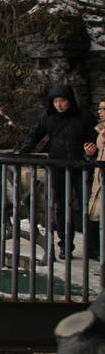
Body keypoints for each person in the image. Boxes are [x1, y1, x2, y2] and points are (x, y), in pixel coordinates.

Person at [18, 84, 97, 259]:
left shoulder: (84, 116)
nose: (59, 105)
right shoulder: (48, 116)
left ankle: (92, 246)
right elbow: (34, 135)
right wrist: (21, 153)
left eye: (62, 101)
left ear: (70, 101)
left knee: (89, 207)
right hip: (58, 167)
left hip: (81, 167)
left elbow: (95, 138)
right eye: (55, 101)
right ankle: (65, 244)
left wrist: (92, 150)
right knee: (60, 207)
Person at [82, 100, 105, 260]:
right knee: (94, 214)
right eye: (100, 109)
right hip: (99, 177)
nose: (100, 112)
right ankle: (94, 250)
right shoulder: (100, 130)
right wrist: (90, 154)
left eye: (104, 109)